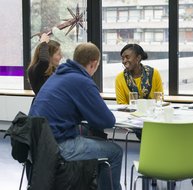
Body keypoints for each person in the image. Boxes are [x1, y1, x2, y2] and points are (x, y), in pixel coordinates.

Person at [29, 42, 123, 190]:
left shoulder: (58, 75)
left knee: (91, 136)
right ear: (93, 64)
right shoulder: (83, 81)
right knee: (115, 152)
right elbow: (108, 121)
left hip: (38, 142)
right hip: (58, 145)